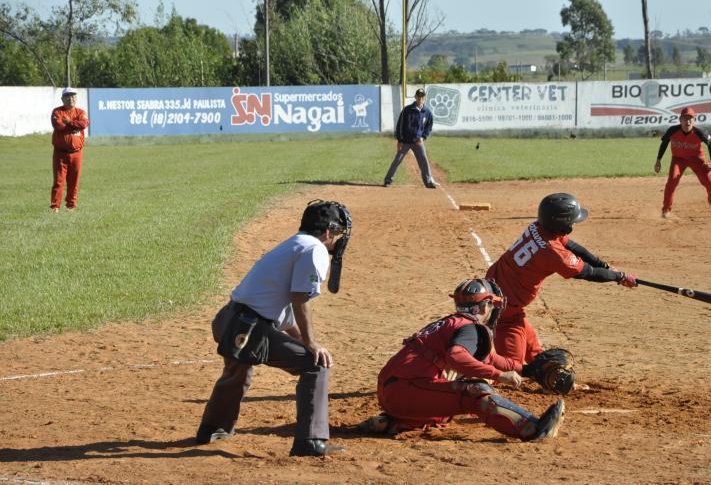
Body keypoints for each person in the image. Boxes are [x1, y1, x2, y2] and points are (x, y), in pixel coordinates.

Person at [196, 200, 353, 457]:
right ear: (327, 231)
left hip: (228, 321)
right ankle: (310, 441)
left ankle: (212, 428)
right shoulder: (314, 249)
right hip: (247, 328)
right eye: (337, 234)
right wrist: (311, 344)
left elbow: (283, 313)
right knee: (315, 364)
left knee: (239, 370)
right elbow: (299, 297)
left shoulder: (294, 243)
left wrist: (302, 339)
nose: (337, 240)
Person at [359, 278, 566, 442]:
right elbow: (456, 357)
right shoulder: (469, 328)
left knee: (446, 409)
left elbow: (490, 358)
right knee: (475, 391)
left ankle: (392, 423)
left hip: (396, 389)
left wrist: (527, 371)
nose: (494, 310)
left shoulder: (453, 322)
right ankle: (532, 429)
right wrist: (498, 375)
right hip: (407, 390)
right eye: (492, 305)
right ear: (484, 307)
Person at [485, 193, 638, 385]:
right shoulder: (553, 253)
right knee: (510, 372)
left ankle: (544, 371)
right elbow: (587, 273)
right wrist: (620, 277)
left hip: (498, 290)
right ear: (562, 224)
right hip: (505, 308)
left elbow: (574, 247)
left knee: (534, 352)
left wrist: (607, 267)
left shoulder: (538, 227)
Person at [654, 106, 711, 218]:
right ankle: (666, 209)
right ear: (680, 120)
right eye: (685, 118)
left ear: (694, 120)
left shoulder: (699, 132)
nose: (688, 121)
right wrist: (658, 160)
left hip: (697, 159)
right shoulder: (673, 130)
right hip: (678, 159)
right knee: (671, 182)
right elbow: (664, 143)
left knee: (710, 182)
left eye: (690, 118)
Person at [383, 88, 436, 189]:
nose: (420, 98)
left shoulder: (427, 112)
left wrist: (423, 137)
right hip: (405, 142)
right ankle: (388, 180)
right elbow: (400, 125)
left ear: (424, 98)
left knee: (424, 160)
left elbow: (429, 126)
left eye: (422, 96)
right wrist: (399, 140)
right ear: (415, 97)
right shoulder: (407, 110)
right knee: (397, 160)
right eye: (418, 96)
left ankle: (428, 181)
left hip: (418, 142)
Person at [50, 87, 89, 212]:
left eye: (73, 96)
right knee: (59, 181)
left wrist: (70, 122)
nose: (70, 98)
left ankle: (71, 206)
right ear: (62, 99)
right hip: (60, 153)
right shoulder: (57, 112)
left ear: (76, 98)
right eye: (67, 96)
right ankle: (55, 206)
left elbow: (84, 124)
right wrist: (73, 124)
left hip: (77, 153)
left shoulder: (81, 112)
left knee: (74, 181)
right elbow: (59, 126)